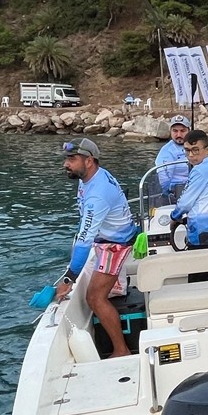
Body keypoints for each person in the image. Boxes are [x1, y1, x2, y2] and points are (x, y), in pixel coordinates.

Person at [55, 139, 139, 358]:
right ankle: (117, 286)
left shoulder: (97, 194)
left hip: (114, 245)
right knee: (98, 292)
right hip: (107, 238)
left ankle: (122, 350)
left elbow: (84, 239)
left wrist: (68, 279)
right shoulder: (90, 177)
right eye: (66, 159)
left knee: (94, 298)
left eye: (72, 159)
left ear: (89, 161)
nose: (66, 164)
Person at [154, 114, 191, 202]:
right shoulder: (167, 151)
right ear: (170, 131)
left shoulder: (195, 146)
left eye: (182, 131)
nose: (179, 134)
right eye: (175, 131)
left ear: (189, 131)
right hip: (177, 194)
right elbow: (164, 180)